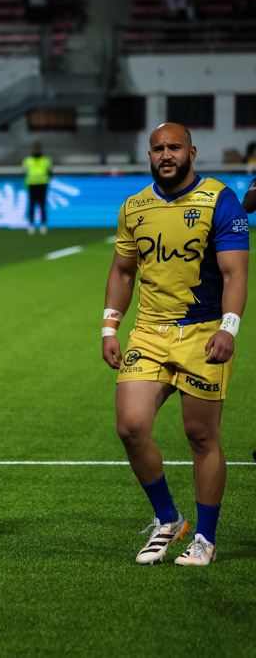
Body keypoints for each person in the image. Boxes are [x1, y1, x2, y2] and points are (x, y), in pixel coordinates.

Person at [101, 122, 249, 567]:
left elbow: (235, 273)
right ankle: (169, 520)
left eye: (174, 148)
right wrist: (110, 327)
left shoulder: (220, 200)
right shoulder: (135, 206)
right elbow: (124, 271)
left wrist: (229, 327)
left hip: (204, 333)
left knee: (200, 435)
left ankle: (205, 537)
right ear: (149, 156)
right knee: (130, 427)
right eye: (158, 149)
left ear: (191, 152)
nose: (166, 155)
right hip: (149, 332)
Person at [22, 142, 52, 234]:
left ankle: (43, 224)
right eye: (35, 148)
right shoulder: (27, 160)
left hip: (43, 185)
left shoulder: (46, 160)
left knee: (42, 205)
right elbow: (25, 174)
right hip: (32, 185)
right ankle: (31, 224)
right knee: (32, 205)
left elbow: (50, 173)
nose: (37, 150)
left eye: (38, 148)